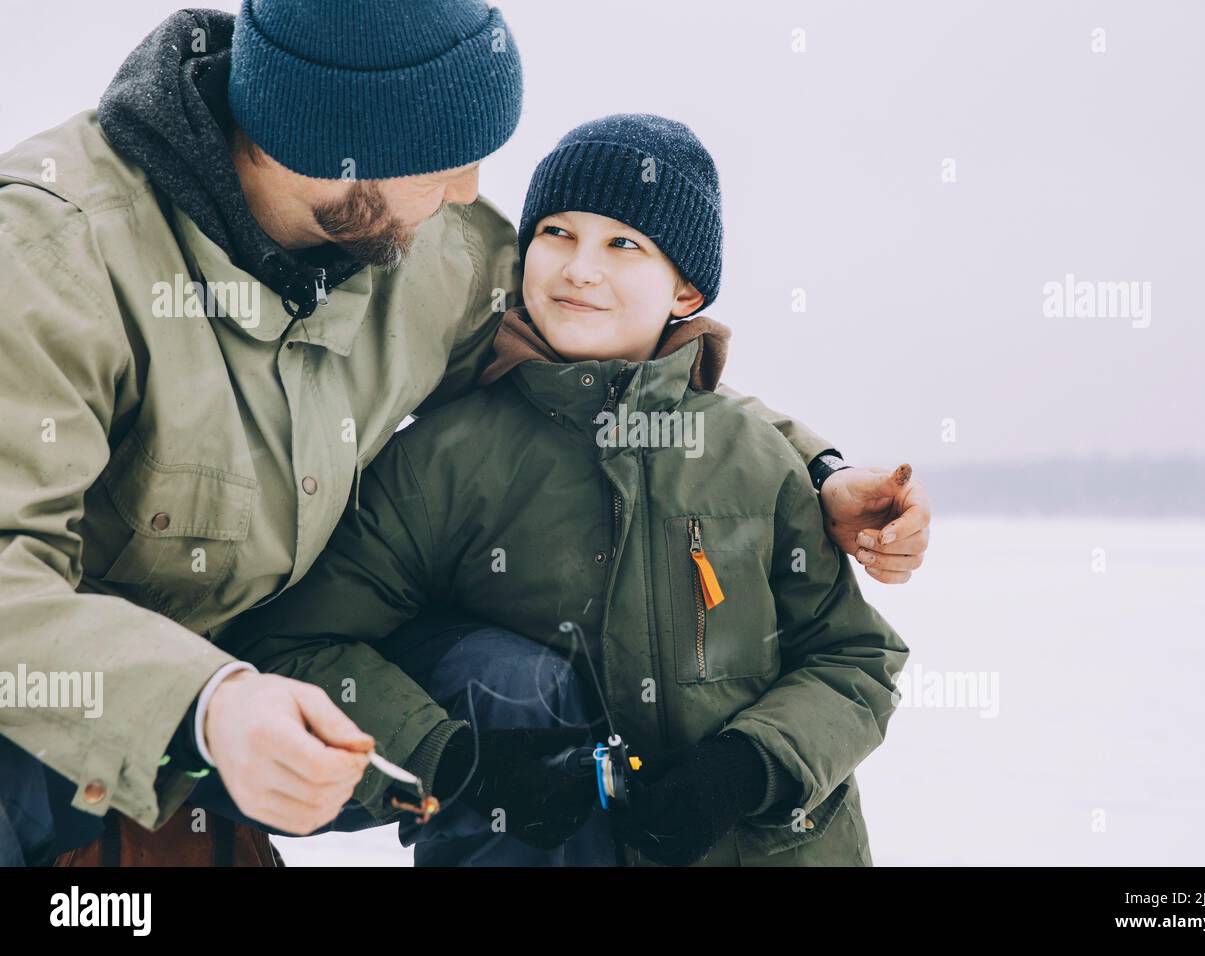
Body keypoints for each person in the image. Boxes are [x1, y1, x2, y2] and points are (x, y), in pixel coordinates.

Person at [0, 0, 929, 868]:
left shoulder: (426, 241)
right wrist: (208, 705)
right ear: (337, 143)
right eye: (443, 157)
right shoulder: (53, 257)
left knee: (514, 682)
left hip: (272, 686)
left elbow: (621, 385)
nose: (471, 193)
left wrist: (818, 470)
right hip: (78, 707)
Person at [223, 114, 911, 866]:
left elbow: (853, 659)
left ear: (685, 287)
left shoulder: (755, 455)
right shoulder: (445, 460)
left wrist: (746, 769)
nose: (580, 268)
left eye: (624, 244)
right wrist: (451, 757)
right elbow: (297, 644)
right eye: (556, 233)